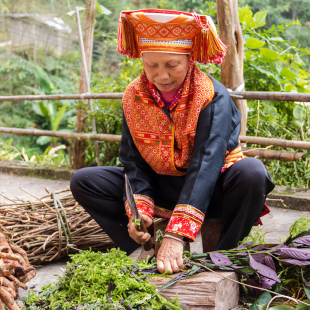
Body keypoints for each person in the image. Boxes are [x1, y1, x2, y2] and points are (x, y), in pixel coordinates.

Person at [70, 9, 275, 275]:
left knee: (252, 173)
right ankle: (143, 247)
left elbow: (206, 166)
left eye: (172, 65)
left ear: (189, 60)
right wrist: (138, 212)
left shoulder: (213, 96)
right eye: (151, 65)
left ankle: (223, 258)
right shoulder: (133, 97)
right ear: (142, 60)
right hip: (163, 187)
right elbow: (133, 163)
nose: (162, 76)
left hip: (213, 187)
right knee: (84, 181)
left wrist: (177, 234)